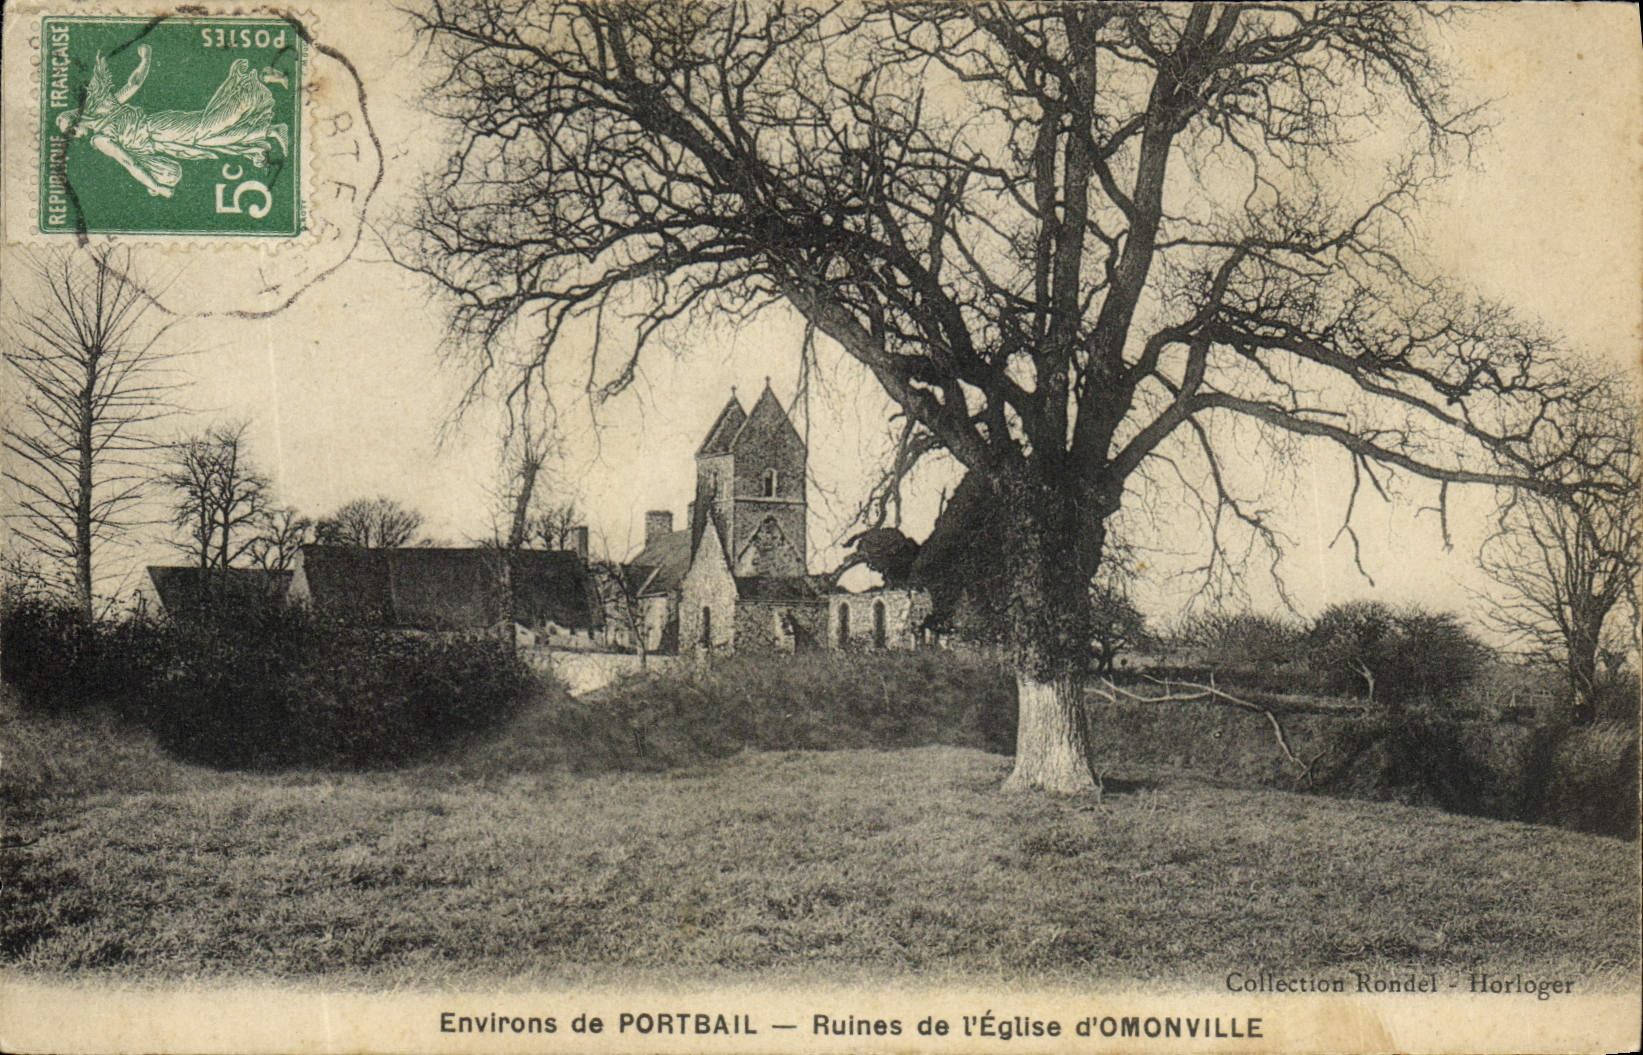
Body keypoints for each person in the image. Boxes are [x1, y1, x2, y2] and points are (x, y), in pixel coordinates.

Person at [56, 44, 290, 198]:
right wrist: (146, 58)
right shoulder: (103, 119)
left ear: (78, 118)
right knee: (211, 141)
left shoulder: (100, 137)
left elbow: (128, 162)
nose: (75, 135)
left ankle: (257, 80)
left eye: (72, 129)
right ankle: (270, 130)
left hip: (159, 129)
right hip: (161, 142)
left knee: (209, 127)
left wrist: (156, 186)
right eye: (72, 135)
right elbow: (133, 86)